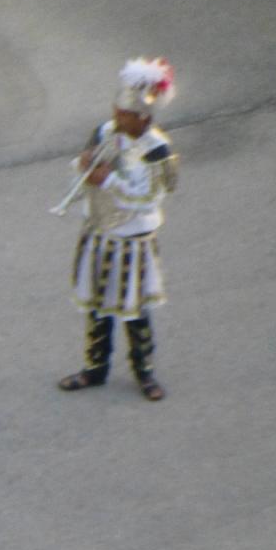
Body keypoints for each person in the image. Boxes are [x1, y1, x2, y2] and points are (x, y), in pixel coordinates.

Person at [57, 58, 178, 401]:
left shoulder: (158, 151)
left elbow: (150, 197)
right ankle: (95, 368)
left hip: (132, 241)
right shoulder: (105, 132)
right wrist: (82, 168)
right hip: (100, 232)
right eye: (116, 108)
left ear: (143, 117)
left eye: (124, 113)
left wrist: (106, 178)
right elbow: (86, 170)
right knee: (98, 306)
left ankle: (145, 372)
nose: (116, 116)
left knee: (134, 309)